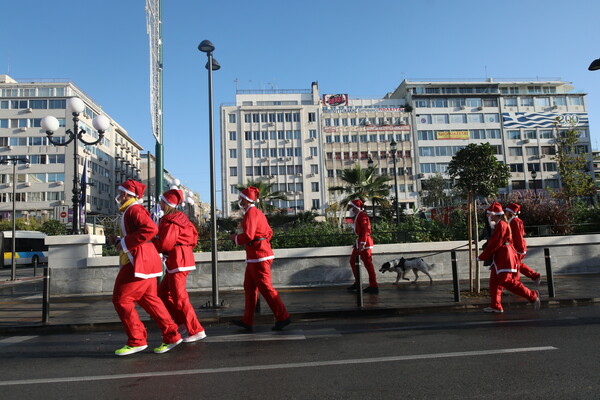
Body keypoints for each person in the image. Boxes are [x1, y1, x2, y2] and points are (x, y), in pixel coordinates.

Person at [112, 179, 182, 356]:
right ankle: (171, 335)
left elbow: (150, 229)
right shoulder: (131, 209)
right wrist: (122, 242)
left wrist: (126, 243)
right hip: (147, 260)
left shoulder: (133, 209)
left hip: (138, 262)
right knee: (150, 300)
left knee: (121, 300)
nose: (118, 197)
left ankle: (137, 340)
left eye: (120, 193)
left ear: (126, 194)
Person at [230, 186, 291, 332]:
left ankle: (283, 316)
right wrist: (261, 241)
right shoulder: (258, 213)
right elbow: (269, 232)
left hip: (258, 257)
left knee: (265, 288)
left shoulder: (251, 213)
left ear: (246, 200)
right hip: (257, 255)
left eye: (241, 198)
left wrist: (235, 239)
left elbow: (249, 235)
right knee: (250, 288)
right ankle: (247, 320)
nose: (240, 200)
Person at [153, 189, 206, 343]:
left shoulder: (171, 220)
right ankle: (182, 322)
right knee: (163, 293)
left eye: (162, 201)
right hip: (180, 259)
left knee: (179, 298)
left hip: (178, 260)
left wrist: (151, 243)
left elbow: (165, 244)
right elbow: (194, 237)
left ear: (168, 204)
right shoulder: (180, 218)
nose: (160, 204)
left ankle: (196, 329)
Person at [478, 202, 540, 313]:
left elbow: (496, 242)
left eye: (490, 214)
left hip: (505, 256)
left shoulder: (503, 225)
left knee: (506, 281)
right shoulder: (502, 224)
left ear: (495, 214)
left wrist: (483, 256)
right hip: (502, 256)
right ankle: (495, 305)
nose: (489, 216)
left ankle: (532, 295)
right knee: (494, 282)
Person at [346, 199, 379, 294]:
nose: (351, 209)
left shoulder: (362, 215)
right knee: (353, 261)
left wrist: (362, 243)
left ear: (355, 207)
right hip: (360, 242)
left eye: (351, 207)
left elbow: (365, 230)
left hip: (364, 243)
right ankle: (358, 282)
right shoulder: (359, 215)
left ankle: (373, 285)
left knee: (368, 264)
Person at [505, 203, 542, 285]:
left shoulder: (515, 221)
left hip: (517, 247)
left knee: (515, 266)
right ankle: (535, 276)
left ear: (510, 212)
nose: (505, 212)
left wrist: (519, 249)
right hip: (516, 247)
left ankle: (515, 284)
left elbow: (518, 236)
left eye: (507, 211)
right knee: (518, 264)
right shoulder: (514, 221)